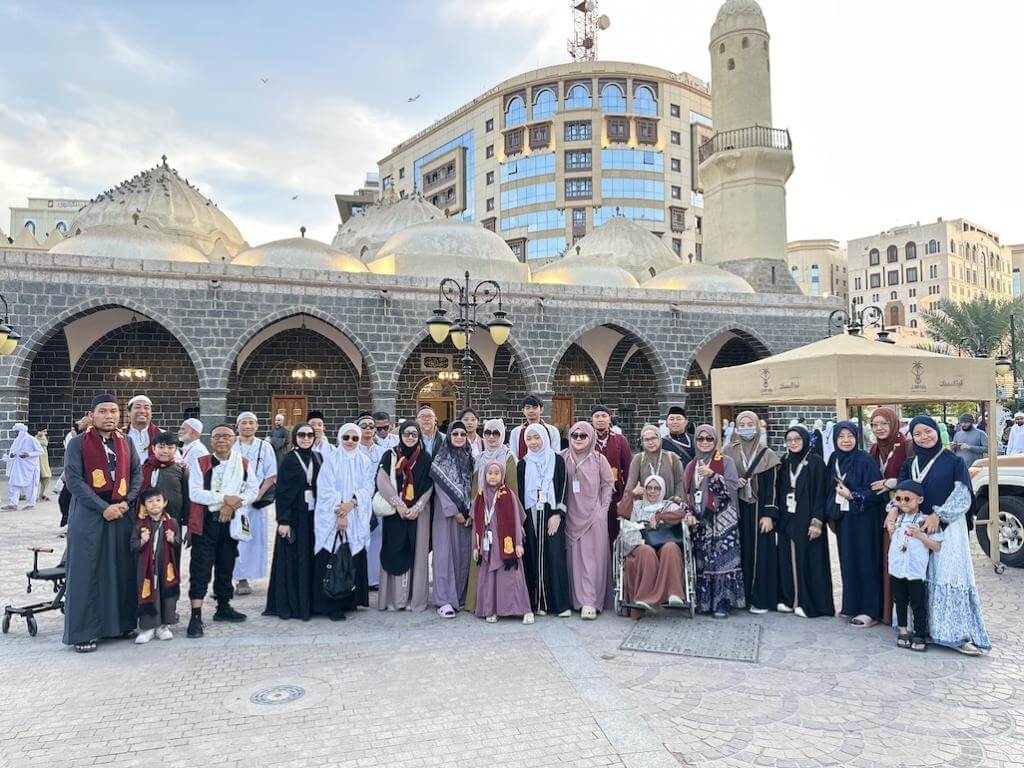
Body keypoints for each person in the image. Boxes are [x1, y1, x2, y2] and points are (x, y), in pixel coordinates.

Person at [896, 415, 990, 655]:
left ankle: (954, 634)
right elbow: (901, 493)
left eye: (928, 431)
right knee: (918, 576)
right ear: (912, 437)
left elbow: (963, 494)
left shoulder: (953, 461)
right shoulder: (910, 463)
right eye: (917, 434)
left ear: (937, 431)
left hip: (948, 528)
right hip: (916, 528)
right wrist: (893, 511)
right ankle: (921, 629)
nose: (924, 437)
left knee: (949, 575)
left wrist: (939, 515)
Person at [63, 394, 142, 653]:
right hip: (89, 516)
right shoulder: (77, 444)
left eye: (113, 411)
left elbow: (136, 475)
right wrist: (102, 507)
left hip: (121, 514)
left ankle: (121, 624)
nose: (109, 416)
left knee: (121, 569)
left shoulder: (126, 441)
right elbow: (74, 480)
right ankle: (84, 632)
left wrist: (126, 502)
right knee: (88, 573)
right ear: (91, 414)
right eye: (103, 411)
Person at [186, 423, 258, 638]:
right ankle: (195, 615)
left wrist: (233, 504)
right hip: (206, 522)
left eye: (226, 436)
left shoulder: (243, 463)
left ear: (234, 439)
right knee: (201, 568)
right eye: (217, 436)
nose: (221, 440)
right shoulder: (201, 463)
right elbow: (195, 493)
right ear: (211, 440)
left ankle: (223, 606)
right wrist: (224, 499)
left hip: (231, 522)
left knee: (226, 564)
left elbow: (252, 490)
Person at [826, 420, 885, 628]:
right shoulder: (834, 459)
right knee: (848, 561)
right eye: (841, 437)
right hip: (845, 520)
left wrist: (853, 495)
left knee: (866, 562)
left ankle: (870, 611)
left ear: (857, 438)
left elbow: (877, 493)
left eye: (850, 436)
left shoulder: (865, 460)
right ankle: (851, 605)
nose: (846, 440)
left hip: (864, 519)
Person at [724, 411, 782, 614]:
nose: (746, 427)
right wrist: (733, 482)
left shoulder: (768, 454)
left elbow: (774, 487)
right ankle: (742, 596)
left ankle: (761, 599)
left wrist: (769, 514)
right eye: (742, 424)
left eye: (750, 423)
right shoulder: (729, 451)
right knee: (740, 553)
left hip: (759, 510)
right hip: (737, 509)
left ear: (757, 426)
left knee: (761, 554)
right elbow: (720, 478)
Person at [314, 423, 374, 620]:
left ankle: (350, 600)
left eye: (355, 438)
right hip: (333, 516)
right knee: (333, 556)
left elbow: (368, 487)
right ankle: (332, 604)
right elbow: (326, 489)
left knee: (352, 555)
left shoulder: (364, 461)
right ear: (340, 438)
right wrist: (341, 513)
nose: (350, 442)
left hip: (356, 514)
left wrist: (353, 503)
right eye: (346, 437)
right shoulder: (330, 460)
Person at [684, 424, 745, 617]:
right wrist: (688, 512)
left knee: (723, 561)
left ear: (715, 441)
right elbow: (685, 493)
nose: (704, 442)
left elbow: (732, 488)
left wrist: (713, 476)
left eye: (708, 439)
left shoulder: (725, 461)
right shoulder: (691, 465)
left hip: (722, 519)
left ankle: (723, 603)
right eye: (700, 439)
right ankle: (704, 602)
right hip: (700, 520)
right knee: (703, 561)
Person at [263, 423, 321, 621]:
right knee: (295, 560)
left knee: (311, 559)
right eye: (302, 435)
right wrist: (283, 521)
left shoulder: (317, 457)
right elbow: (283, 493)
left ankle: (311, 602)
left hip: (313, 518)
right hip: (295, 518)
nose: (306, 438)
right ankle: (295, 604)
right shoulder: (289, 460)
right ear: (295, 437)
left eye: (310, 435)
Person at [775, 426, 834, 618]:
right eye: (789, 440)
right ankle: (789, 599)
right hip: (788, 518)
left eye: (797, 439)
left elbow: (820, 494)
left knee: (808, 560)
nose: (793, 443)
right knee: (787, 558)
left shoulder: (815, 462)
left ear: (805, 440)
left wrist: (817, 522)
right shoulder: (784, 462)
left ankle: (809, 604)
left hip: (807, 518)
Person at [376, 421, 434, 611]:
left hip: (418, 514)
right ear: (400, 435)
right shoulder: (390, 455)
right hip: (395, 513)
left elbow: (429, 485)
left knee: (417, 554)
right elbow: (382, 480)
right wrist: (399, 505)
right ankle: (394, 600)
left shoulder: (425, 458)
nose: (410, 437)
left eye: (414, 434)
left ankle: (414, 600)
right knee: (394, 551)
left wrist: (417, 507)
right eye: (407, 433)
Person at [516, 423, 572, 617]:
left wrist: (558, 514)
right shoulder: (523, 463)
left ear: (545, 438)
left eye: (537, 437)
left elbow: (563, 488)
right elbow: (520, 494)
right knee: (534, 556)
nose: (533, 442)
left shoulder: (557, 460)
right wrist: (521, 522)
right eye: (529, 438)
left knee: (554, 555)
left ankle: (559, 604)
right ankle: (538, 603)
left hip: (552, 512)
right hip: (531, 514)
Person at [616, 475, 690, 619]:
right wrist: (632, 494)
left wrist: (659, 517)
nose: (652, 492)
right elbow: (622, 512)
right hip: (641, 544)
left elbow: (681, 513)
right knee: (647, 552)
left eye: (657, 488)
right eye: (649, 488)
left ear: (662, 490)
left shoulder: (668, 504)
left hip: (663, 543)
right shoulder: (637, 505)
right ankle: (645, 598)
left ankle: (674, 593)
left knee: (671, 548)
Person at [562, 421, 614, 619]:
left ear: (590, 437)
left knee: (592, 560)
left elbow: (608, 484)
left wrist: (602, 510)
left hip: (593, 517)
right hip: (570, 516)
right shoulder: (563, 457)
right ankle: (575, 600)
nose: (578, 439)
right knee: (574, 560)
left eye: (583, 436)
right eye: (574, 435)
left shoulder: (599, 460)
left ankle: (590, 601)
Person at [467, 418, 518, 613]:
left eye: (496, 433)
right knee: (480, 555)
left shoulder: (508, 457)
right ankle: (478, 602)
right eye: (488, 433)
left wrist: (513, 520)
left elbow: (513, 491)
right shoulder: (479, 458)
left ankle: (499, 603)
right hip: (482, 516)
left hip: (501, 519)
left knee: (498, 557)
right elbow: (474, 489)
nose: (491, 437)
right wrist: (474, 512)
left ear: (502, 434)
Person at [472, 460, 533, 624]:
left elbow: (516, 522)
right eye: (490, 473)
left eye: (496, 473)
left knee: (513, 577)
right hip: (488, 546)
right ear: (485, 475)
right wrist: (475, 547)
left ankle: (525, 610)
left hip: (506, 545)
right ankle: (493, 609)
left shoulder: (509, 495)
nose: (493, 477)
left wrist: (519, 544)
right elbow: (476, 524)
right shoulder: (480, 496)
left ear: (502, 475)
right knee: (490, 577)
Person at [886, 479, 942, 652]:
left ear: (920, 500)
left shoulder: (925, 521)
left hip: (915, 570)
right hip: (897, 568)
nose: (902, 503)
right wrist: (890, 530)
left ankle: (919, 633)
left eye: (907, 499)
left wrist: (920, 536)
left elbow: (937, 546)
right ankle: (903, 630)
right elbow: (894, 540)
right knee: (900, 600)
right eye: (899, 499)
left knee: (918, 603)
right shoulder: (898, 519)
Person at [869, 407, 913, 625]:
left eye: (883, 424)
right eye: (875, 424)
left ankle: (902, 617)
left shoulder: (907, 446)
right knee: (883, 560)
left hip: (902, 514)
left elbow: (916, 478)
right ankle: (883, 611)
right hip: (878, 513)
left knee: (899, 560)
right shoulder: (875, 449)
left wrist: (893, 482)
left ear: (893, 424)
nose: (879, 428)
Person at [429, 421, 475, 617]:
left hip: (465, 516)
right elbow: (439, 488)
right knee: (444, 556)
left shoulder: (470, 458)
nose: (458, 437)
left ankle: (460, 597)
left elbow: (474, 485)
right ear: (448, 436)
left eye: (462, 434)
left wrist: (470, 511)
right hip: (446, 515)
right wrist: (454, 511)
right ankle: (444, 600)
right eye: (454, 433)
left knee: (462, 555)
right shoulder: (441, 458)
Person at [231, 412, 278, 595]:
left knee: (252, 540)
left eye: (251, 423)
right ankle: (235, 577)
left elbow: (271, 474)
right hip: (235, 501)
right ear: (238, 426)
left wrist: (258, 493)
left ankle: (247, 576)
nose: (248, 426)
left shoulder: (265, 447)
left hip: (257, 501)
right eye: (244, 423)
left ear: (257, 426)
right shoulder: (231, 445)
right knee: (234, 539)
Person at [130, 487, 181, 644]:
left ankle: (163, 626)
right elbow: (132, 545)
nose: (155, 504)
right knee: (148, 593)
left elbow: (178, 543)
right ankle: (148, 628)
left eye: (158, 500)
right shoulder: (140, 524)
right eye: (150, 502)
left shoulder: (172, 523)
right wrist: (142, 541)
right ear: (144, 505)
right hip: (146, 568)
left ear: (165, 502)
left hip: (166, 567)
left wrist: (173, 539)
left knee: (166, 594)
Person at [591, 405, 631, 542]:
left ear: (609, 419)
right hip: (592, 496)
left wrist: (626, 496)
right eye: (597, 416)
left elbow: (628, 469)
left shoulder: (620, 440)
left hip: (614, 494)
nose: (600, 419)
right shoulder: (586, 439)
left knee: (614, 532)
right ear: (592, 420)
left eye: (604, 416)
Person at [355, 413, 386, 588]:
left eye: (371, 426)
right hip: (357, 501)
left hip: (377, 500)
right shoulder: (352, 448)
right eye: (364, 426)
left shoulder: (381, 451)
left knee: (376, 540)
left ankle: (374, 579)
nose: (368, 429)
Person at [139, 432, 190, 528]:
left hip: (173, 520)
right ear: (153, 448)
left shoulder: (181, 470)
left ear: (175, 450)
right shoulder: (143, 469)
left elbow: (187, 498)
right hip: (146, 520)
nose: (165, 451)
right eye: (161, 447)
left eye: (170, 447)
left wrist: (186, 522)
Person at [626, 425, 685, 501]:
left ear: (659, 438)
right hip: (645, 507)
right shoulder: (638, 459)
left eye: (653, 438)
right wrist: (630, 496)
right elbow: (630, 484)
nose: (650, 442)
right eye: (646, 440)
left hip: (668, 506)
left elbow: (680, 482)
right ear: (642, 442)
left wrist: (677, 498)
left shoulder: (672, 457)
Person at [59, 415, 91, 527]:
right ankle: (66, 521)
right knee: (64, 499)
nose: (81, 422)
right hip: (73, 472)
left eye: (84, 420)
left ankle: (69, 523)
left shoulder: (89, 437)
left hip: (85, 475)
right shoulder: (75, 438)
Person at [509, 394, 560, 461]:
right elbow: (514, 457)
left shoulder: (553, 431)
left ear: (541, 409)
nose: (531, 411)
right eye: (528, 408)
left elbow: (555, 455)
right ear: (523, 411)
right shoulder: (516, 432)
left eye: (534, 407)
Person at [4, 423, 42, 510]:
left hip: (29, 467)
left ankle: (31, 503)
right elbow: (13, 451)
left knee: (30, 485)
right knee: (13, 483)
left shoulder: (31, 439)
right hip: (18, 465)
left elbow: (40, 451)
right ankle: (13, 503)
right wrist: (11, 455)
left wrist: (28, 454)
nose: (18, 433)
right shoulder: (17, 440)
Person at [126, 394, 160, 462]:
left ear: (151, 413)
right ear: (128, 413)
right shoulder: (120, 435)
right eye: (137, 407)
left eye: (146, 408)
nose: (142, 411)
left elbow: (176, 461)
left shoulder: (161, 434)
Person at [37, 428, 52, 501]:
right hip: (38, 462)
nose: (45, 433)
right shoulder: (34, 440)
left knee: (47, 478)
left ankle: (42, 494)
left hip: (44, 462)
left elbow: (45, 443)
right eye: (44, 431)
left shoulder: (44, 438)